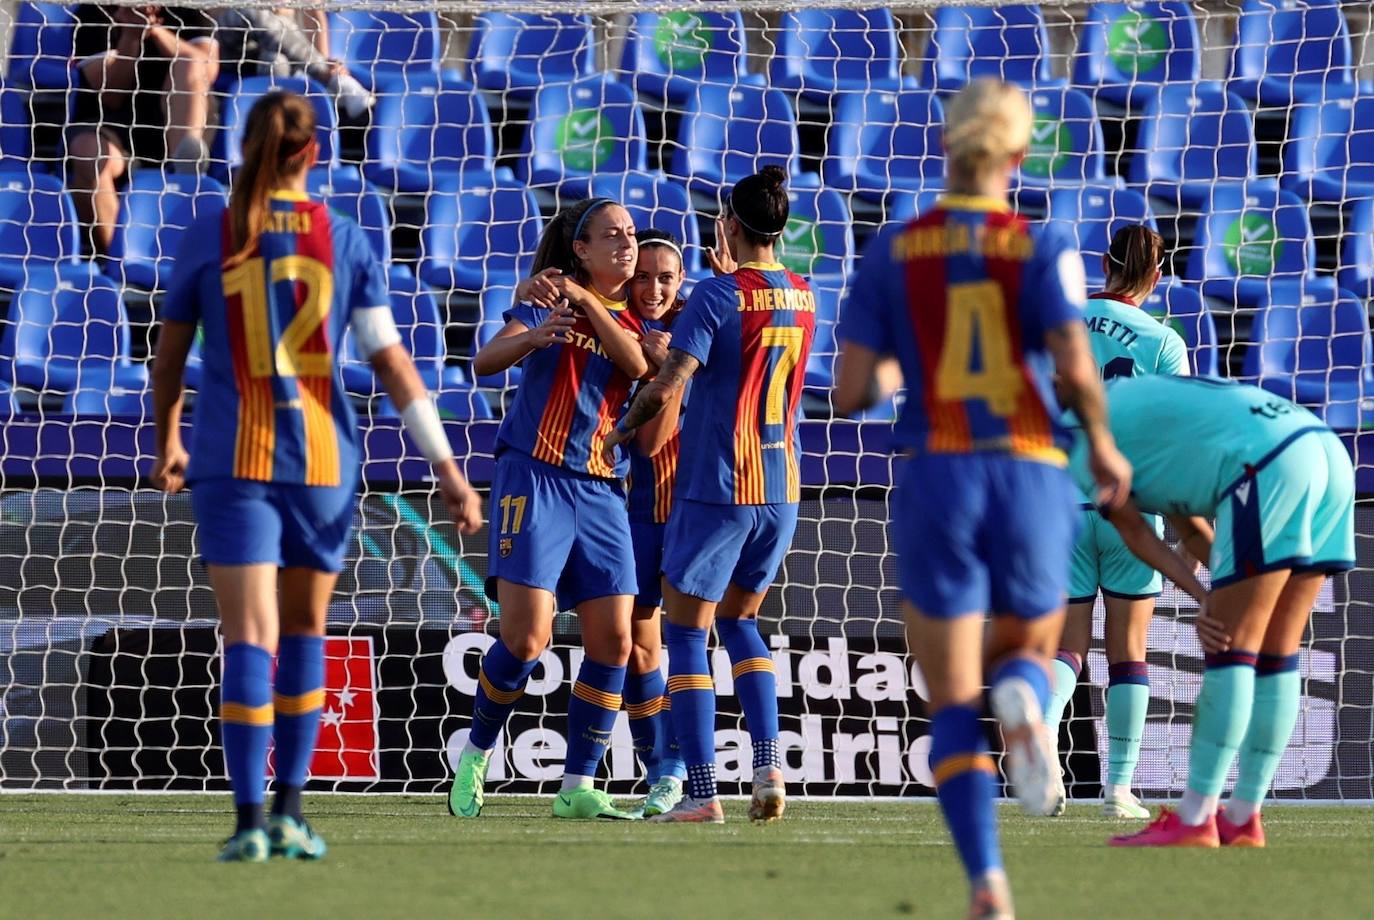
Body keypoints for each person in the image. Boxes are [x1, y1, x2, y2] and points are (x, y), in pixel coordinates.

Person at [149, 91, 482, 862]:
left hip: (234, 457)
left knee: (247, 638)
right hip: (324, 459)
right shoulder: (344, 236)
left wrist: (169, 439)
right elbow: (392, 361)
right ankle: (294, 812)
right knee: (304, 631)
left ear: (250, 148)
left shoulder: (214, 231)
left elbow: (169, 358)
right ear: (314, 156)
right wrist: (447, 465)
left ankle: (246, 823)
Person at [830, 78, 1131, 920]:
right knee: (1031, 651)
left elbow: (852, 389)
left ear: (944, 147)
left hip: (937, 469)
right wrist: (1103, 444)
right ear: (1020, 155)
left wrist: (907, 367)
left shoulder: (892, 247)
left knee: (951, 696)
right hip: (1032, 468)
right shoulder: (1043, 244)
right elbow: (1074, 365)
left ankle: (986, 884)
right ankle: (1031, 703)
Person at [604, 166, 815, 825]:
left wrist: (615, 434)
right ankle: (768, 765)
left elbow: (668, 385)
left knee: (686, 632)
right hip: (780, 488)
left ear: (729, 223)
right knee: (743, 622)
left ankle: (701, 791)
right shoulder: (805, 296)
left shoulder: (717, 297)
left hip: (719, 485)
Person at [1065, 376, 1355, 848]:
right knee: (1277, 653)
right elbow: (1192, 528)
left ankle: (1196, 818)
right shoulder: (1137, 414)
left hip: (1266, 462)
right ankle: (1242, 817)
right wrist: (1210, 594)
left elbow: (1138, 535)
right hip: (1324, 450)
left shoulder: (1078, 442)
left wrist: (1208, 601)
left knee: (1230, 648)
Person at [448, 197, 660, 822]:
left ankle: (576, 784)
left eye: (630, 233)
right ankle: (477, 752)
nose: (626, 244)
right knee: (527, 636)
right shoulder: (546, 298)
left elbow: (639, 364)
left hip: (601, 488)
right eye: (611, 235)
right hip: (534, 476)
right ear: (581, 249)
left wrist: (587, 301)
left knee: (616, 640)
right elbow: (483, 361)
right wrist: (534, 335)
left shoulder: (642, 315)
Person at [1043, 225, 1190, 820]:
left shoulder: (1059, 326)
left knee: (1065, 647)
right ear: (1157, 277)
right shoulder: (1163, 341)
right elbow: (1176, 437)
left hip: (1061, 501)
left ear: (1102, 264)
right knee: (1128, 651)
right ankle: (1119, 790)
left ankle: (1044, 752)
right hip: (1132, 504)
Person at [621, 229, 689, 817]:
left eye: (666, 277)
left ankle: (678, 770)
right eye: (643, 275)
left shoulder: (701, 326)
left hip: (695, 507)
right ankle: (660, 771)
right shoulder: (617, 332)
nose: (653, 288)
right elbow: (646, 445)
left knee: (689, 642)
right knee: (638, 648)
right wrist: (660, 369)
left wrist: (671, 368)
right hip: (636, 508)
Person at [68, 4, 220, 253]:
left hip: (178, 123)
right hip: (115, 126)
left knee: (190, 62)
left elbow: (208, 69)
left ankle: (185, 172)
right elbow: (111, 94)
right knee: (88, 152)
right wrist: (131, 35)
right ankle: (123, 259)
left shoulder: (193, 9)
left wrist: (156, 32)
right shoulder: (92, 11)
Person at [215, 8, 374, 119]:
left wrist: (327, 61)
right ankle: (325, 75)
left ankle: (276, 127)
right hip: (233, 47)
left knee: (276, 62)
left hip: (281, 46)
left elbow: (314, 16)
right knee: (254, 12)